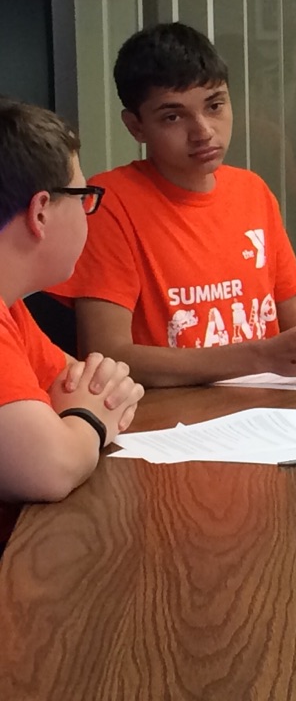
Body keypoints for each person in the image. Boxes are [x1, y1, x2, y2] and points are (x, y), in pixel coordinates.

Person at [49, 23, 296, 387]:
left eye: (214, 106)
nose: (203, 131)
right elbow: (108, 355)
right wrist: (260, 356)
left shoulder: (252, 192)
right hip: (173, 413)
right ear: (136, 127)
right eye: (173, 116)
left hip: (271, 407)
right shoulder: (108, 203)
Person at [0, 99, 145, 544]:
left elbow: (92, 385)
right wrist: (88, 420)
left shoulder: (10, 307)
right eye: (84, 198)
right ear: (41, 212)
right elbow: (49, 467)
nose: (87, 213)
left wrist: (81, 415)